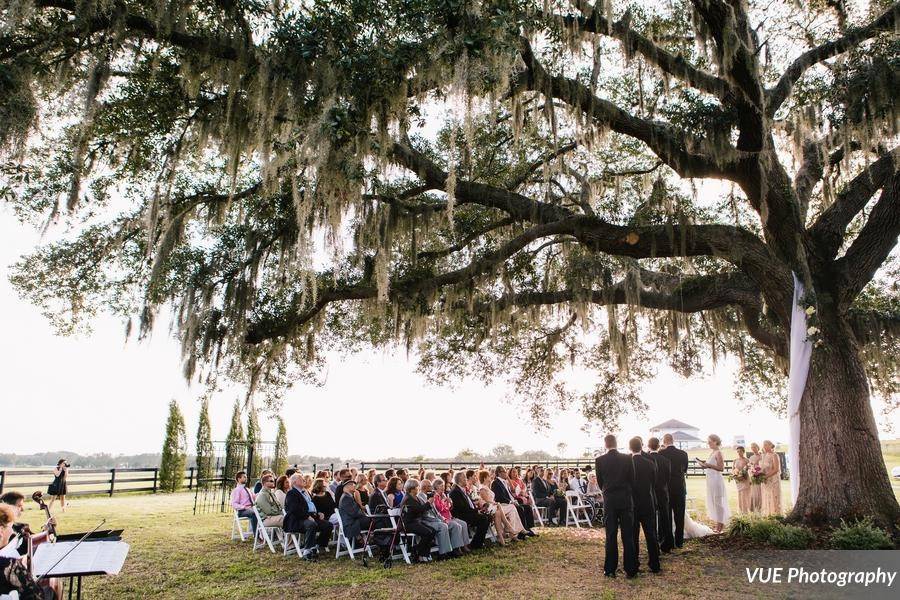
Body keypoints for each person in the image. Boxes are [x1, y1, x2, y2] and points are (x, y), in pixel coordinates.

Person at [596, 434, 637, 578]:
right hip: (625, 500)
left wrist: (608, 492)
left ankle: (610, 569)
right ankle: (631, 569)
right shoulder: (627, 458)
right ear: (616, 443)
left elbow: (601, 482)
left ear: (605, 444)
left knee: (611, 535)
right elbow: (632, 480)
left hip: (610, 501)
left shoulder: (600, 460)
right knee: (628, 535)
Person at [0, 504, 52, 600]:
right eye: (10, 527)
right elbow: (35, 596)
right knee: (49, 590)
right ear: (1, 531)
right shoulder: (9, 565)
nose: (12, 532)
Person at [283, 473, 333, 559]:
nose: (303, 479)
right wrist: (307, 516)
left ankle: (317, 545)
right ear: (294, 482)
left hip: (310, 517)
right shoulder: (292, 493)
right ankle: (307, 551)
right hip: (297, 519)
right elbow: (294, 509)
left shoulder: (305, 492)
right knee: (311, 524)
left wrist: (318, 513)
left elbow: (311, 506)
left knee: (328, 525)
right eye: (300, 478)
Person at [629, 437, 660, 574]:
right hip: (648, 502)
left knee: (633, 535)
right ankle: (655, 564)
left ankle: (634, 564)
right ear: (641, 446)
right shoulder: (650, 463)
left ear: (630, 448)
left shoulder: (627, 463)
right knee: (651, 535)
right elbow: (654, 483)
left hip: (633, 504)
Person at [659, 433, 689, 548]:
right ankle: (679, 541)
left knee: (666, 516)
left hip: (666, 488)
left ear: (664, 441)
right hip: (679, 487)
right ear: (673, 440)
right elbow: (685, 470)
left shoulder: (661, 454)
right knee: (679, 515)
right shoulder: (683, 454)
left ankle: (668, 541)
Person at [478, 470, 525, 541]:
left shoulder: (487, 486)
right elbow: (487, 500)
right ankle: (511, 531)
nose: (490, 477)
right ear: (484, 478)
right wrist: (496, 503)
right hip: (491, 507)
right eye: (488, 476)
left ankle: (512, 532)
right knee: (512, 507)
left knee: (512, 509)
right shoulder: (482, 488)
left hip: (495, 506)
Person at [415, 480, 457, 559]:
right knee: (443, 526)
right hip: (427, 521)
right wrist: (438, 520)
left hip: (435, 519)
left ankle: (454, 549)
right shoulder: (420, 497)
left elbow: (436, 511)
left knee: (452, 524)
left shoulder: (430, 496)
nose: (432, 488)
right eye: (430, 486)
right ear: (425, 487)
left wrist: (442, 518)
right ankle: (443, 553)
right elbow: (425, 515)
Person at [697, 434, 730, 532]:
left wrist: (709, 465)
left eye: (710, 442)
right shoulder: (712, 452)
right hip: (710, 479)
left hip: (716, 480)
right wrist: (704, 465)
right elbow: (711, 466)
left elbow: (721, 468)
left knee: (718, 502)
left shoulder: (719, 453)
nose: (708, 443)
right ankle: (718, 524)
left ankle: (720, 526)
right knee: (713, 502)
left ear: (715, 442)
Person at [398, 479, 437, 563]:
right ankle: (418, 552)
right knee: (428, 533)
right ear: (412, 488)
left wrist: (428, 503)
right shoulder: (408, 498)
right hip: (409, 523)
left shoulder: (415, 497)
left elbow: (421, 509)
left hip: (416, 521)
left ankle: (422, 553)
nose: (418, 488)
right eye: (417, 487)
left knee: (432, 531)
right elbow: (418, 509)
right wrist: (428, 503)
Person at [646, 437, 674, 553]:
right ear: (658, 446)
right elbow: (668, 478)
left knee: (651, 518)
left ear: (648, 446)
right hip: (662, 491)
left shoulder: (645, 459)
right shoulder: (665, 460)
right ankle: (667, 544)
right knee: (665, 517)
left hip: (649, 493)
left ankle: (654, 544)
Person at [449, 472, 489, 549]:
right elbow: (461, 508)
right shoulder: (455, 491)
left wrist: (478, 509)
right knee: (483, 519)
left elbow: (469, 504)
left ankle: (478, 542)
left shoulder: (462, 490)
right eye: (464, 478)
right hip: (461, 515)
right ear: (460, 480)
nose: (466, 479)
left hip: (468, 513)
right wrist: (476, 511)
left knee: (488, 517)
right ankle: (476, 544)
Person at [491, 466, 536, 536]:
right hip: (504, 504)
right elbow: (499, 497)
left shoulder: (504, 482)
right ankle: (521, 532)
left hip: (510, 502)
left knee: (528, 507)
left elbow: (510, 493)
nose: (506, 473)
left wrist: (514, 500)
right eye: (504, 471)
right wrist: (511, 502)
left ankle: (529, 528)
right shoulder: (495, 483)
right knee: (520, 509)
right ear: (499, 473)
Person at [432, 479, 470, 553]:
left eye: (443, 485)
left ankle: (465, 545)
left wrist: (450, 502)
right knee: (457, 526)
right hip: (443, 518)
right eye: (441, 486)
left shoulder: (443, 495)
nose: (443, 487)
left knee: (463, 524)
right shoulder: (435, 496)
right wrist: (444, 501)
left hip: (450, 516)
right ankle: (457, 548)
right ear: (436, 486)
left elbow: (448, 508)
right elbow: (439, 508)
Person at [337, 479, 370, 544]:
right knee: (373, 520)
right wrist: (364, 514)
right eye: (352, 485)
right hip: (351, 525)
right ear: (347, 487)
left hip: (354, 522)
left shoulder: (348, 496)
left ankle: (372, 538)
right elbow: (354, 513)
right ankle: (374, 538)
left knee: (372, 520)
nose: (355, 486)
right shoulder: (346, 498)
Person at [760, 440, 782, 516]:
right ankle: (768, 514)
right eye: (764, 445)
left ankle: (776, 515)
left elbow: (776, 469)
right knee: (767, 496)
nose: (765, 447)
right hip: (766, 481)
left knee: (774, 496)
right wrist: (759, 474)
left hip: (773, 479)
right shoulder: (764, 456)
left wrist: (765, 476)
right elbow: (762, 468)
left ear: (770, 445)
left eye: (766, 445)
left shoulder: (774, 455)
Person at [733, 446, 752, 514]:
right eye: (737, 451)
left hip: (745, 479)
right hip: (738, 481)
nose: (739, 453)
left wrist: (743, 476)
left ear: (743, 452)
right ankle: (741, 510)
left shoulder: (747, 460)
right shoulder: (735, 460)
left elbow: (750, 470)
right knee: (740, 495)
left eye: (740, 451)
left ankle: (746, 510)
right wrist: (735, 476)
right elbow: (733, 470)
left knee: (745, 495)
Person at [748, 442, 763, 513]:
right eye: (752, 447)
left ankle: (761, 507)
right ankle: (754, 507)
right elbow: (750, 467)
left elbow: (763, 467)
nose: (753, 449)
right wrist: (752, 473)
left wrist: (759, 472)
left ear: (758, 447)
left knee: (760, 492)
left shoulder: (762, 456)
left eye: (754, 447)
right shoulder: (751, 457)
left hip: (761, 476)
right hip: (753, 476)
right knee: (754, 492)